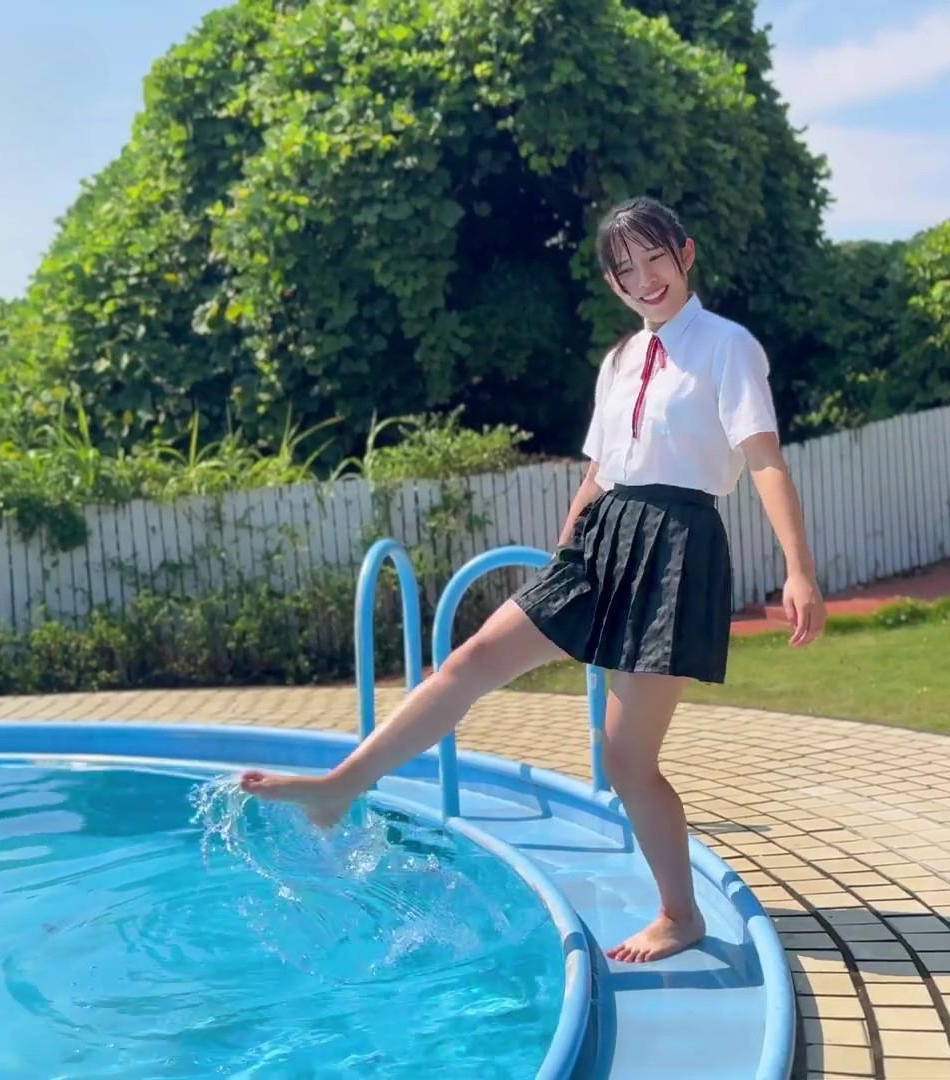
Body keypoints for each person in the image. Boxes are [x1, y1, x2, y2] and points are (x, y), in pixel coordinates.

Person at [242, 195, 825, 963]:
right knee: (469, 660)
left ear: (686, 255)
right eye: (625, 270)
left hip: (676, 547)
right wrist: (565, 559)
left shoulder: (728, 348)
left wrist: (799, 570)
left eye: (656, 259)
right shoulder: (619, 362)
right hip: (601, 537)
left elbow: (764, 460)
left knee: (626, 759)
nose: (644, 279)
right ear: (612, 283)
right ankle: (340, 785)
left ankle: (679, 915)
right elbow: (598, 472)